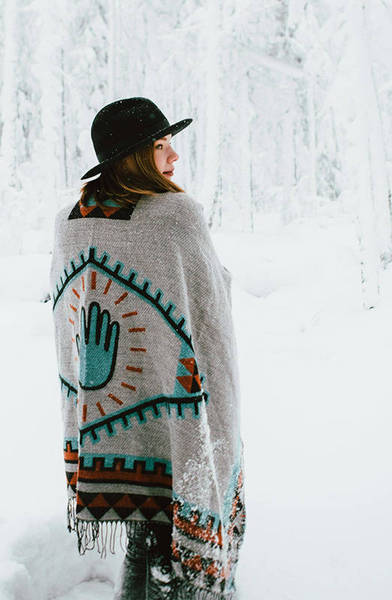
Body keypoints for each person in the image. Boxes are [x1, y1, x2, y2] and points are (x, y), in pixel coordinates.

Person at [49, 97, 246, 599]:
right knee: (175, 536)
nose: (174, 156)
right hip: (175, 406)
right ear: (135, 156)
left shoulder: (71, 218)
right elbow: (207, 314)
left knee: (145, 529)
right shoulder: (176, 215)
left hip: (109, 417)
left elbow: (69, 318)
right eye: (161, 146)